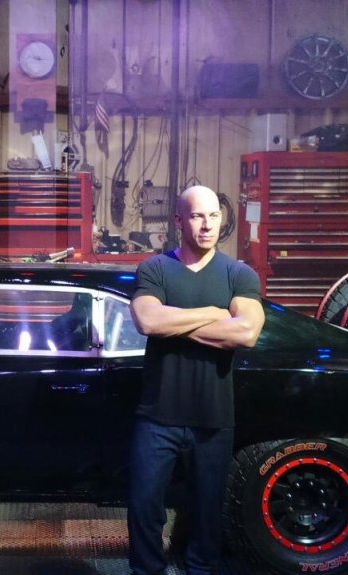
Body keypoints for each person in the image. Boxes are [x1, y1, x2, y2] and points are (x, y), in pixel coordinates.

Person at [127, 185, 265, 575]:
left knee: (207, 514)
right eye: (197, 216)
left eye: (214, 216)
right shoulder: (155, 269)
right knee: (143, 507)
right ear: (179, 221)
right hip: (157, 415)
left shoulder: (238, 274)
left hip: (213, 418)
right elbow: (148, 321)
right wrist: (215, 313)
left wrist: (174, 323)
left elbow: (246, 333)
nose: (207, 225)